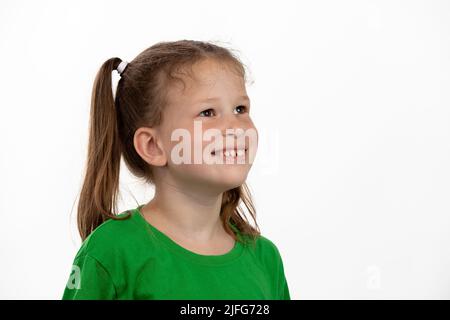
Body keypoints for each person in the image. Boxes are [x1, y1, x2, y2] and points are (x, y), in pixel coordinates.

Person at [62, 40, 290, 300]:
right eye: (207, 112)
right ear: (152, 146)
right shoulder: (113, 252)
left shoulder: (265, 258)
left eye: (240, 109)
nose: (235, 127)